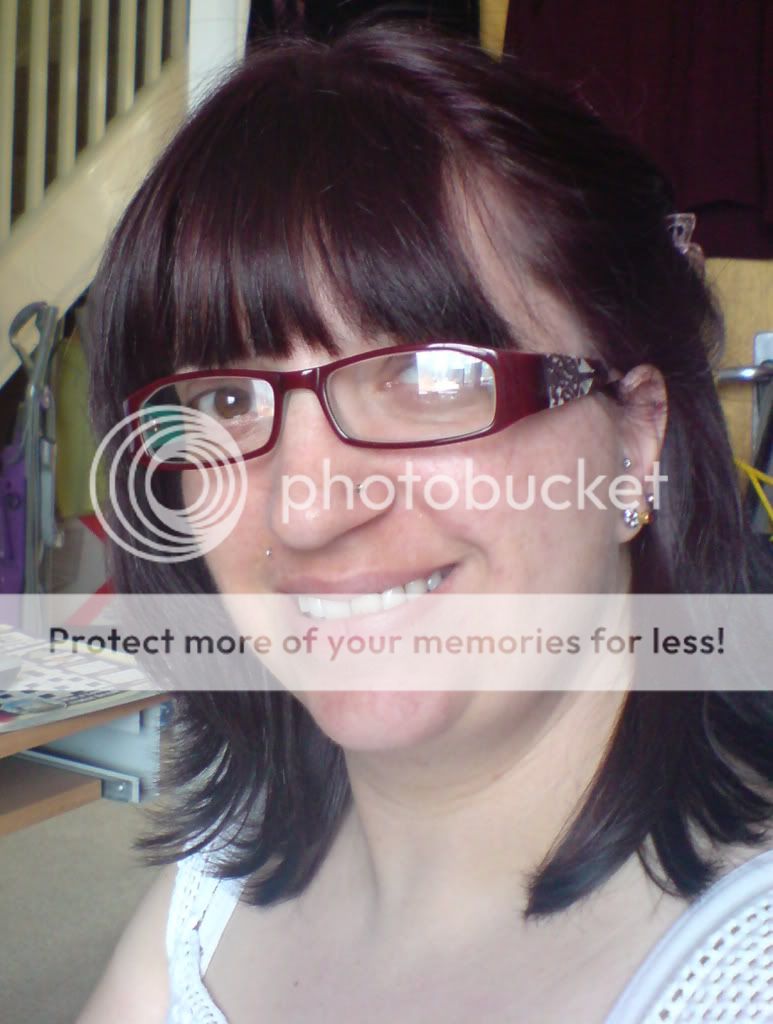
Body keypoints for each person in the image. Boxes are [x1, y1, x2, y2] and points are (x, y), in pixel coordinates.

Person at [78, 22, 772, 1024]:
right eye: (225, 401)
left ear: (633, 440)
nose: (307, 509)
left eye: (430, 378)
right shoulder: (215, 886)